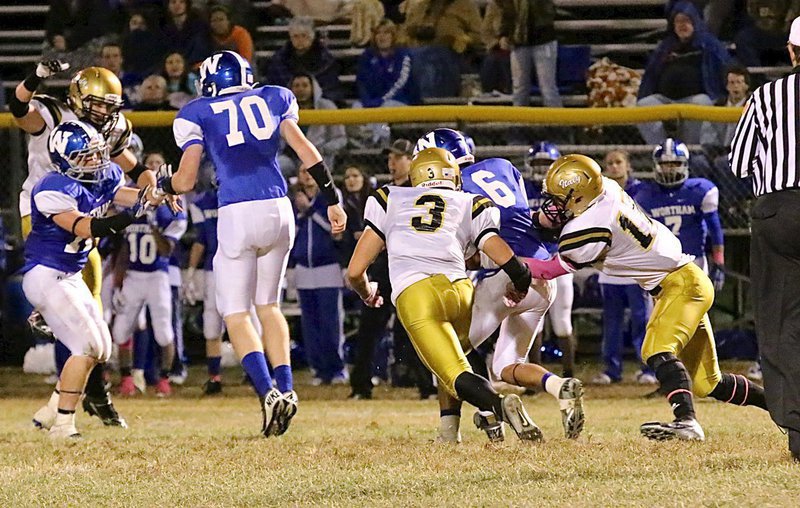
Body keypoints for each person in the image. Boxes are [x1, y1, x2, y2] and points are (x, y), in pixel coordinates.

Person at [158, 50, 347, 437]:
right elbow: (307, 152)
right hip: (279, 208)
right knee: (269, 306)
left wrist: (163, 183)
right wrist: (332, 199)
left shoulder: (197, 112)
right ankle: (288, 388)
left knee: (235, 313)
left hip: (238, 210)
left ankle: (268, 393)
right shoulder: (274, 96)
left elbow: (187, 180)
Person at [525, 154, 767, 441]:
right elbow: (553, 224)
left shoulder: (585, 228)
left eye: (559, 198)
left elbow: (549, 269)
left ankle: (686, 421)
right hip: (683, 282)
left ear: (578, 197)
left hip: (680, 285)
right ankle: (784, 407)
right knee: (707, 382)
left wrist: (505, 259)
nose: (553, 206)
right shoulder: (608, 190)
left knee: (655, 349)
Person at [346, 146, 543, 442]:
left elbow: (355, 271)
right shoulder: (469, 201)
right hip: (459, 291)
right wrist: (520, 278)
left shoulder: (390, 197)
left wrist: (367, 292)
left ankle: (499, 407)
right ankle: (449, 432)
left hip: (417, 293)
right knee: (454, 360)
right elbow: (497, 249)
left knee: (453, 372)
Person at [10, 60, 162, 429]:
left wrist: (156, 188)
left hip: (88, 210)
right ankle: (81, 395)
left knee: (91, 306)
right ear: (78, 98)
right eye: (98, 103)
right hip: (48, 209)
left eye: (110, 105)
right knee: (68, 289)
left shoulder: (110, 131)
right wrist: (37, 77)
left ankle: (76, 395)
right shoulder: (53, 113)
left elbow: (134, 166)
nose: (104, 112)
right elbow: (17, 110)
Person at [416, 128, 584, 443]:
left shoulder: (453, 191)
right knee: (508, 365)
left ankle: (453, 431)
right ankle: (559, 387)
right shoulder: (502, 166)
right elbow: (522, 219)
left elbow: (474, 249)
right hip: (543, 278)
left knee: (447, 354)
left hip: (507, 273)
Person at [24, 121, 151, 437]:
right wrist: (131, 215)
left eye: (96, 154)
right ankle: (64, 425)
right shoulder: (51, 188)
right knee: (85, 346)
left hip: (70, 275)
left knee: (102, 349)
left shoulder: (103, 177)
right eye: (86, 155)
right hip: (46, 274)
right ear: (65, 159)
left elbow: (128, 195)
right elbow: (86, 228)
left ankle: (51, 410)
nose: (96, 161)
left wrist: (159, 191)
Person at [729, 16, 800, 460]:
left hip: (779, 213)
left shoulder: (767, 95)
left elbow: (739, 164)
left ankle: (798, 430)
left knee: (782, 323)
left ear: (792, 52)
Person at [347, 139, 436, 400]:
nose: (392, 163)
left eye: (399, 158)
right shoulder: (383, 193)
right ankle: (361, 385)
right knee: (369, 328)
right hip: (384, 268)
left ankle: (426, 385)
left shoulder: (422, 192)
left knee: (415, 327)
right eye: (390, 158)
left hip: (411, 267)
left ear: (413, 161)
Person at [113, 197, 187, 397]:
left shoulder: (166, 213)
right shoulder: (131, 210)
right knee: (120, 331)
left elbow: (166, 250)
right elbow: (124, 248)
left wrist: (153, 225)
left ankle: (164, 380)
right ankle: (127, 380)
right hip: (133, 277)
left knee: (163, 332)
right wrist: (118, 279)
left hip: (157, 277)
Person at [592, 150, 655, 385]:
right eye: (610, 163)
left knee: (642, 320)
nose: (614, 167)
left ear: (628, 165)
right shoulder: (600, 192)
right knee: (612, 322)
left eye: (619, 162)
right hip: (610, 267)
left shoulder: (643, 192)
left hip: (636, 265)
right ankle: (611, 370)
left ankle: (648, 368)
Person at [636, 1, 731, 145]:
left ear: (695, 22)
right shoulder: (665, 47)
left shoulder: (709, 44)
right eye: (678, 21)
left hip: (696, 99)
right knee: (644, 105)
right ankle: (663, 150)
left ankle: (688, 151)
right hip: (666, 100)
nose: (682, 25)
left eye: (686, 21)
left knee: (701, 103)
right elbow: (650, 76)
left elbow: (726, 69)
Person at [522, 142, 576, 377]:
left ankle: (569, 374)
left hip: (558, 260)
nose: (542, 169)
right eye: (538, 164)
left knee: (562, 321)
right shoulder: (521, 189)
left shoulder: (567, 191)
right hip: (532, 261)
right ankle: (535, 377)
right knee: (534, 322)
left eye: (547, 164)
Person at [291, 165, 346, 385]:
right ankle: (319, 369)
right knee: (310, 323)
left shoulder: (329, 196)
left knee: (330, 321)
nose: (306, 175)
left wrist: (310, 211)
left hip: (327, 266)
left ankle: (337, 369)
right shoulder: (295, 198)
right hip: (304, 267)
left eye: (310, 170)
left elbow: (332, 228)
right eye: (302, 171)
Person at [185, 183, 225, 394]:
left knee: (249, 318)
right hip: (214, 268)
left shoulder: (243, 193)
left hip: (243, 264)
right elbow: (201, 239)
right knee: (212, 322)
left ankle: (259, 373)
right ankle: (214, 376)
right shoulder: (201, 202)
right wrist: (191, 270)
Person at [496, 0, 561, 107]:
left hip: (543, 39)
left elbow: (548, 12)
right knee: (519, 87)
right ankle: (519, 121)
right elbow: (506, 12)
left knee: (547, 88)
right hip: (519, 41)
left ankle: (558, 121)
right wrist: (503, 34)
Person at [263, 16, 343, 102]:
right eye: (296, 36)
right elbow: (273, 87)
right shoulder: (279, 60)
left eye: (304, 36)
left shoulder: (326, 60)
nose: (300, 40)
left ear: (312, 36)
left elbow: (331, 87)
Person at [279, 74, 346, 176]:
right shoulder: (284, 109)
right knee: (278, 165)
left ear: (313, 87)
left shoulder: (327, 107)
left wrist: (323, 149)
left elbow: (340, 139)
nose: (300, 89)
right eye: (296, 86)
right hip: (291, 158)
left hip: (320, 156)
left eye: (305, 85)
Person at [355, 19, 419, 108]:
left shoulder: (403, 55)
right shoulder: (367, 56)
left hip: (399, 100)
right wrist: (367, 101)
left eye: (386, 33)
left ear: (393, 36)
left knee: (386, 106)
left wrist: (381, 100)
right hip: (373, 101)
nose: (382, 36)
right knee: (357, 106)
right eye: (378, 33)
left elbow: (400, 84)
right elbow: (361, 82)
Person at [161, 0, 212, 66]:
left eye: (181, 2)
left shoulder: (199, 25)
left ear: (187, 4)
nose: (177, 5)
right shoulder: (162, 26)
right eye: (173, 2)